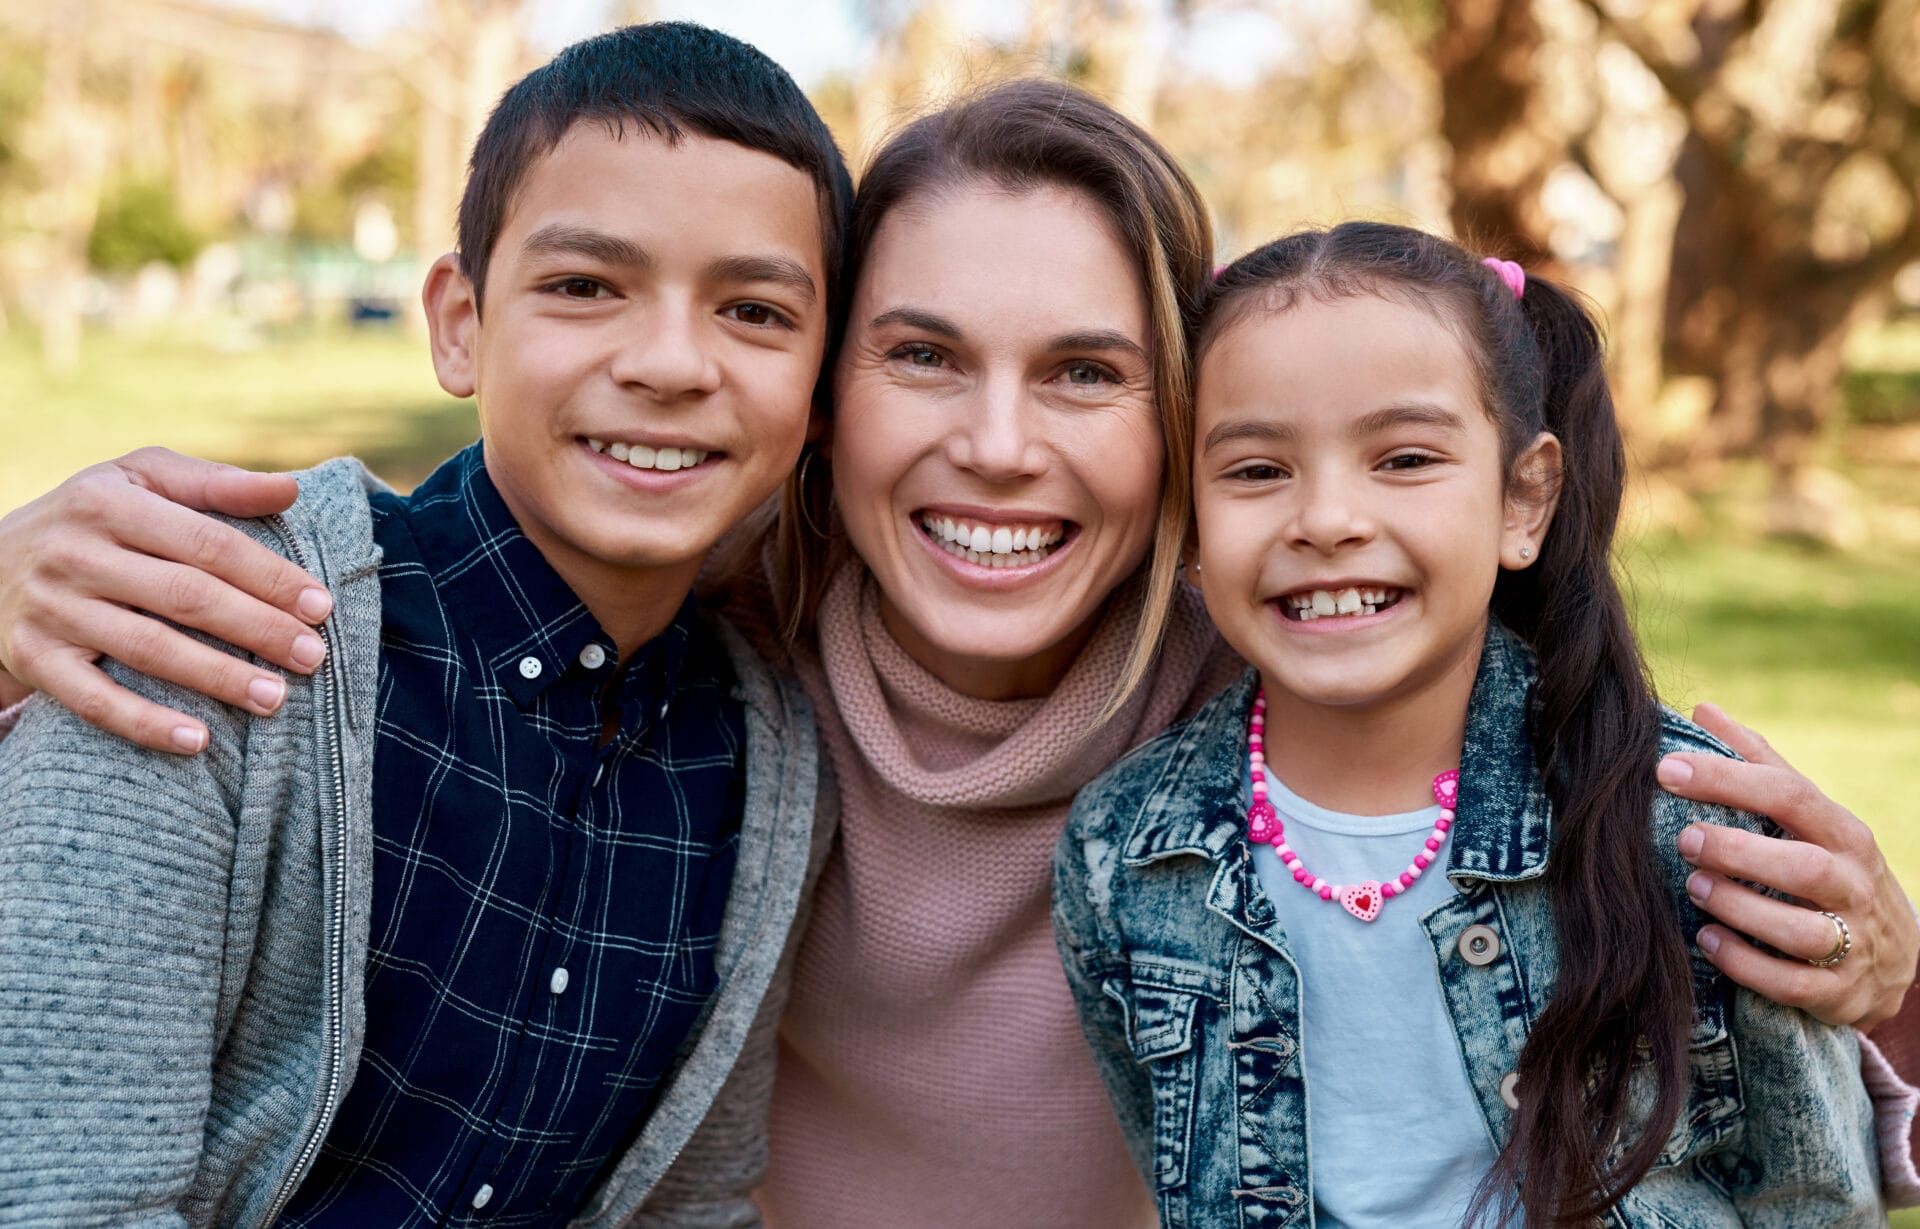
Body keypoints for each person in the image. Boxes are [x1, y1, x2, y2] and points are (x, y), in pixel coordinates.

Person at [0, 81, 1914, 1227]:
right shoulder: (699, 660)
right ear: (822, 392)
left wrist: (1891, 975)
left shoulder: (1285, 704)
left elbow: (1745, 1037)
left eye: (1087, 371)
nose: (998, 446)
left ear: (1184, 420)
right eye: (923, 353)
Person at [0, 23, 846, 1226]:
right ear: (459, 322)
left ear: (820, 388)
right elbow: (56, 1195)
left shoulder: (765, 771)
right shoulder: (209, 624)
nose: (670, 362)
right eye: (584, 286)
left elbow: (689, 1205)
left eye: (756, 310)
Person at [1053, 224, 1885, 1226]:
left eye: (1403, 457)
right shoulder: (1124, 855)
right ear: (1187, 523)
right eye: (1257, 470)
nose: (1326, 518)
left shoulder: (1692, 833)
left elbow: (1812, 1195)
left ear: (1522, 499)